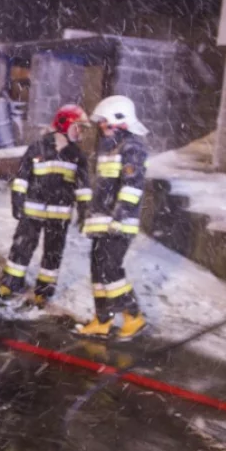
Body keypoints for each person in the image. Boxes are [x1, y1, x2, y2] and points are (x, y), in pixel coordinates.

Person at [0, 104, 91, 307]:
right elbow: (22, 177)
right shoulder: (37, 147)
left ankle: (44, 290)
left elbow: (83, 189)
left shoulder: (77, 156)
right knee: (22, 246)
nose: (81, 132)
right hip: (32, 211)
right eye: (78, 126)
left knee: (53, 253)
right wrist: (17, 200)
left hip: (60, 216)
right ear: (64, 124)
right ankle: (10, 283)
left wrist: (84, 212)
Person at [75, 95, 149, 340]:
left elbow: (131, 187)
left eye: (106, 122)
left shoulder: (131, 148)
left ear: (122, 121)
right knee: (98, 270)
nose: (102, 127)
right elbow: (102, 189)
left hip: (119, 223)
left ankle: (133, 316)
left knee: (110, 269)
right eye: (101, 123)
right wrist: (90, 217)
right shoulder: (108, 148)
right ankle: (103, 319)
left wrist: (119, 218)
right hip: (102, 222)